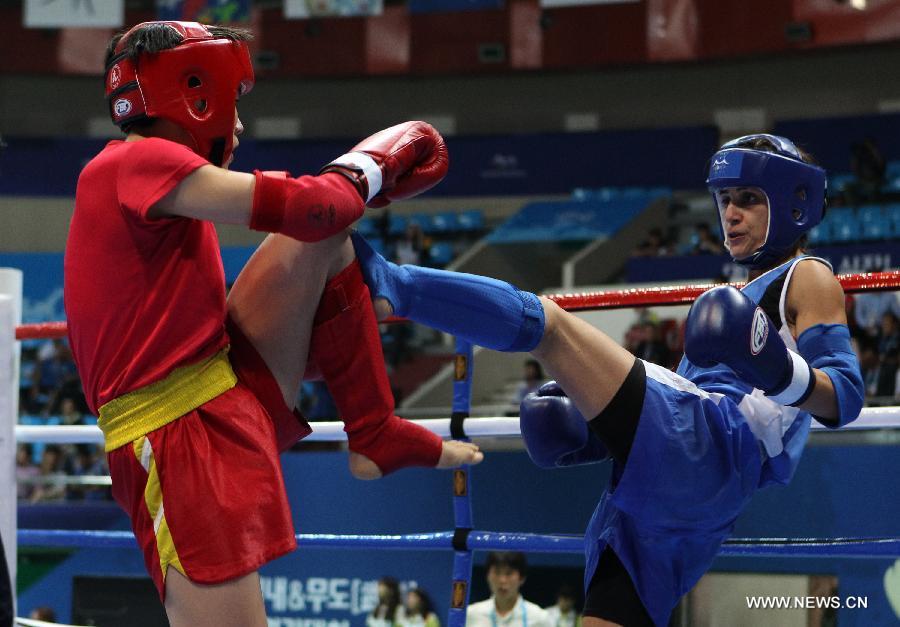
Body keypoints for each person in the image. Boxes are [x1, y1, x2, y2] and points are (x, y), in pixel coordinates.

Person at [64, 20, 481, 627]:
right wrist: (375, 168)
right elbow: (315, 206)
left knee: (328, 240)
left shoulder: (148, 173)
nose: (236, 122)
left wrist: (365, 190)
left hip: (221, 388)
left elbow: (321, 222)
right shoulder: (135, 163)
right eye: (233, 101)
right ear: (195, 93)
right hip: (175, 433)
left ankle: (373, 430)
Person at [351, 133, 864, 626]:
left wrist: (773, 366)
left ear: (792, 203)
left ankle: (397, 285)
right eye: (725, 198)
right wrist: (599, 435)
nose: (729, 214)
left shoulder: (807, 276)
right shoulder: (739, 292)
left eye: (748, 199)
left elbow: (845, 396)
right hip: (674, 502)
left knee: (547, 324)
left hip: (714, 446)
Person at [466, 552, 551, 627]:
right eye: (497, 572)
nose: (502, 580)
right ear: (487, 576)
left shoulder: (540, 617)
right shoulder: (470, 614)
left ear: (522, 578)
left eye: (509, 573)